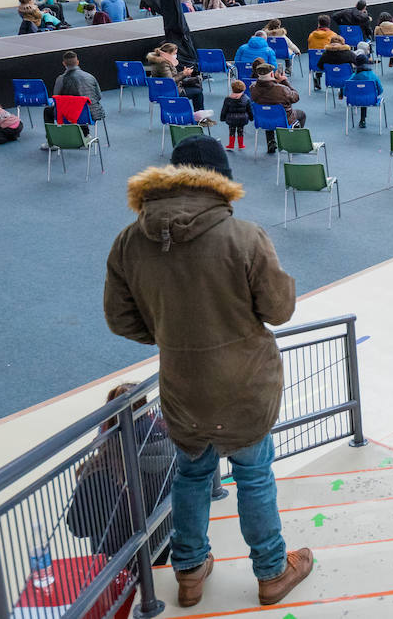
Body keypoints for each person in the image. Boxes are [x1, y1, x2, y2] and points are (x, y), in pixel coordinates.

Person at [104, 136, 313, 606]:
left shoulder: (129, 241)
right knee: (254, 475)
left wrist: (171, 335)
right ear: (221, 181)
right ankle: (272, 570)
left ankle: (190, 571)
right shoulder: (244, 236)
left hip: (182, 387)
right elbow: (278, 310)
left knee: (191, 475)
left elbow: (120, 319)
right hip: (245, 385)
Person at [66, 383, 175, 558]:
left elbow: (79, 528)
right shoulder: (172, 450)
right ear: (147, 410)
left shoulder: (100, 470)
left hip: (118, 562)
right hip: (164, 547)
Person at [248, 62, 306, 154]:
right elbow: (296, 97)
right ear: (271, 74)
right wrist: (284, 81)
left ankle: (271, 142)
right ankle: (295, 142)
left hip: (262, 120)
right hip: (283, 120)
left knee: (267, 111)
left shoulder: (252, 88)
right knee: (301, 114)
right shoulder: (282, 89)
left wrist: (275, 83)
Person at [146, 42, 205, 113]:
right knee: (198, 92)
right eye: (174, 53)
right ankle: (199, 117)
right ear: (168, 53)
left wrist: (184, 73)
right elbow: (170, 81)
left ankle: (198, 116)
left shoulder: (160, 61)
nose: (176, 55)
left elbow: (170, 77)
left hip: (162, 89)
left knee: (195, 85)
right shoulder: (163, 64)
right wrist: (183, 74)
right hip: (170, 91)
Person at [51, 51, 106, 126]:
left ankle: (53, 135)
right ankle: (85, 132)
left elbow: (56, 98)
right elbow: (99, 96)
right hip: (92, 113)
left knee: (48, 111)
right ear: (77, 62)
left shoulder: (60, 79)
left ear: (64, 63)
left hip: (70, 115)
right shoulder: (90, 76)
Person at [221, 79, 252, 150]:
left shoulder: (228, 99)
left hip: (231, 118)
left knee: (231, 130)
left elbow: (224, 110)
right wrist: (251, 117)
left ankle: (231, 144)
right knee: (240, 131)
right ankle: (241, 145)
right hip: (242, 118)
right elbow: (249, 110)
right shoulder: (246, 99)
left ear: (232, 89)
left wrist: (222, 118)